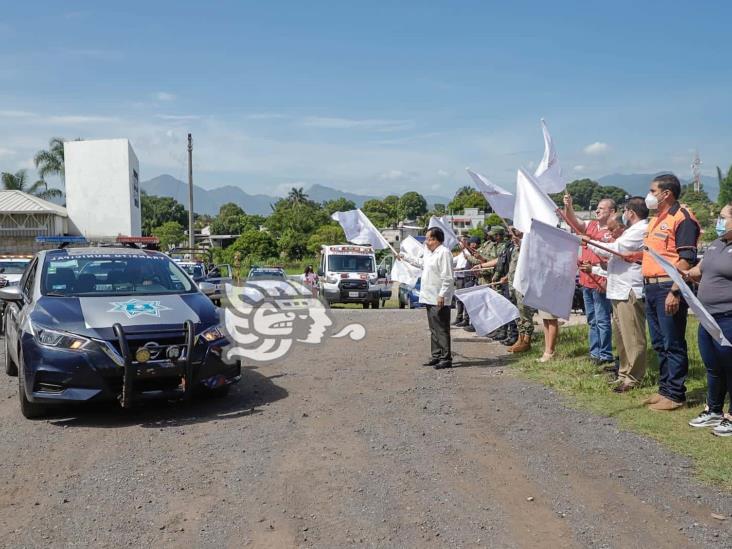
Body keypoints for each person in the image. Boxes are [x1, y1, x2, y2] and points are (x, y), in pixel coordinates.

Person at [641, 173, 700, 411]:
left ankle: (676, 394)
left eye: (653, 191)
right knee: (658, 342)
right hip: (651, 286)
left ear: (666, 194)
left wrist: (675, 291)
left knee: (673, 341)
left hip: (668, 286)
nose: (650, 196)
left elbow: (686, 259)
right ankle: (664, 389)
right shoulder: (657, 218)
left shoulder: (682, 217)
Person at [583, 197, 649, 393]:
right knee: (621, 338)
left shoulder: (639, 230)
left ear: (630, 212)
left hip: (629, 289)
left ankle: (634, 377)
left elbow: (614, 249)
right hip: (618, 289)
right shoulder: (630, 231)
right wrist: (596, 270)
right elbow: (613, 259)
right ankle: (624, 373)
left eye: (626, 211)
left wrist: (589, 241)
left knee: (633, 337)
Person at [683, 202, 732, 435]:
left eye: (723, 218)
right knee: (713, 366)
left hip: (728, 318)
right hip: (707, 317)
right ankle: (714, 409)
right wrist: (682, 273)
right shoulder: (716, 244)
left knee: (730, 366)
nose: (719, 223)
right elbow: (699, 270)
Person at [564, 193, 617, 366]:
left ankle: (605, 354)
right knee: (592, 319)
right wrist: (569, 205)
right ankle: (595, 352)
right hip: (587, 280)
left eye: (602, 208)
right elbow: (573, 221)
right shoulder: (591, 225)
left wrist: (606, 278)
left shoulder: (613, 232)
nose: (597, 211)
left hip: (600, 280)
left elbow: (614, 259)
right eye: (597, 208)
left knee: (602, 320)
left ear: (612, 211)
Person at [400, 227, 455, 369]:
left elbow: (448, 277)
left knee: (442, 328)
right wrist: (404, 257)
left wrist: (442, 294)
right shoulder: (429, 253)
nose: (426, 242)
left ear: (436, 240)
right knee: (434, 328)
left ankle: (446, 357)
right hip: (429, 295)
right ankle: (436, 355)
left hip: (438, 296)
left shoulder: (444, 253)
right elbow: (420, 263)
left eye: (428, 239)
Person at [506, 229, 536, 353]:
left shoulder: (529, 246)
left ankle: (527, 341)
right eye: (512, 235)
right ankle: (521, 337)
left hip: (523, 286)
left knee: (525, 311)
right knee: (517, 312)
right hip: (512, 285)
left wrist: (523, 244)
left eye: (516, 235)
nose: (513, 237)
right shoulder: (515, 249)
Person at [452, 236, 478, 328]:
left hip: (465, 278)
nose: (459, 244)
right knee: (459, 299)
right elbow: (452, 260)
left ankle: (466, 319)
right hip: (459, 278)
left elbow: (465, 267)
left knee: (466, 299)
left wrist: (458, 269)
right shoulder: (460, 254)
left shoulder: (469, 252)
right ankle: (459, 317)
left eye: (462, 242)